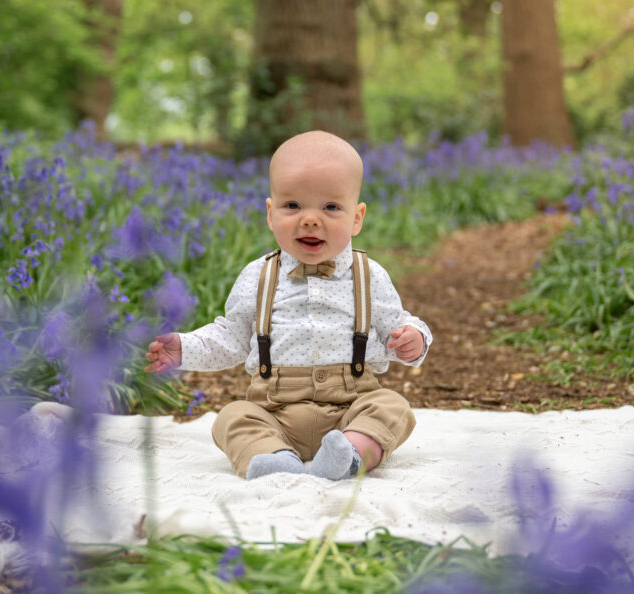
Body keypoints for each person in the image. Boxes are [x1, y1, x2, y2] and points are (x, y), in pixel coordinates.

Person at [145, 130, 432, 480]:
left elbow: (396, 326)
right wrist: (184, 349)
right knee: (231, 417)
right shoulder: (258, 276)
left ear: (357, 218)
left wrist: (412, 338)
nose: (310, 219)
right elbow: (232, 337)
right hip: (274, 411)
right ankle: (274, 458)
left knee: (392, 408)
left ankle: (350, 455)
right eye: (293, 205)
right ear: (271, 213)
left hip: (351, 407)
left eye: (330, 207)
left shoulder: (369, 275)